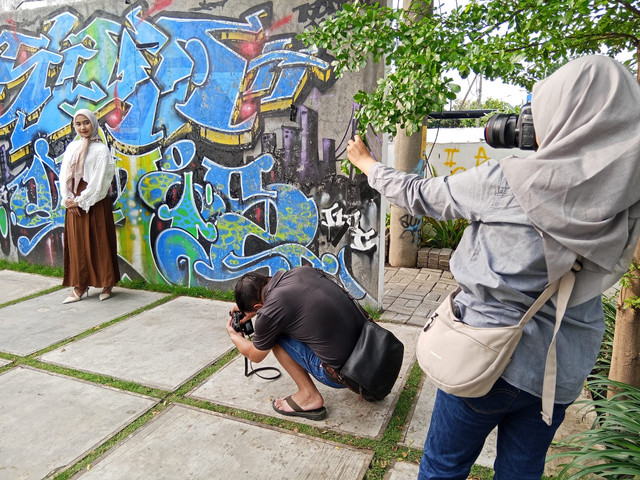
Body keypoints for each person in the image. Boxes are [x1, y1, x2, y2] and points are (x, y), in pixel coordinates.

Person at [346, 55, 640, 479]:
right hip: (561, 369)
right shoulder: (627, 200)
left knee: (443, 468)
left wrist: (368, 164)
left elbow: (421, 194)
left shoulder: (510, 180)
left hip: (485, 354)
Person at [226, 266, 366, 420]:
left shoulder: (269, 313)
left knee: (275, 337)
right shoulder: (303, 272)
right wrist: (250, 309)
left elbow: (255, 355)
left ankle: (309, 396)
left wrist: (234, 335)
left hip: (346, 375)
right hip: (369, 353)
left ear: (258, 307)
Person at [59, 109, 121, 304]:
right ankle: (79, 286)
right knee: (77, 244)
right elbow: (64, 175)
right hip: (73, 202)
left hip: (93, 201)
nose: (82, 127)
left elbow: (99, 180)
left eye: (86, 123)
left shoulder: (101, 150)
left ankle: (106, 283)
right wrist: (68, 199)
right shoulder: (72, 147)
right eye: (78, 124)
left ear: (93, 124)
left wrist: (81, 200)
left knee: (99, 242)